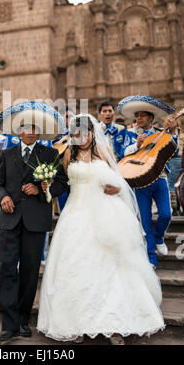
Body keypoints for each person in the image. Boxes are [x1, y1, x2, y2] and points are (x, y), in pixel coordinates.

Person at [37, 114, 165, 345]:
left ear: (92, 132)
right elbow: (63, 182)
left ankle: (115, 325)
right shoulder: (67, 154)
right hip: (75, 214)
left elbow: (119, 181)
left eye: (84, 133)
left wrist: (115, 189)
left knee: (110, 266)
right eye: (75, 134)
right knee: (74, 265)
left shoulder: (102, 152)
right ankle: (73, 322)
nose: (81, 138)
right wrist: (47, 186)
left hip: (104, 213)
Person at [0, 101, 64, 343]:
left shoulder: (51, 154)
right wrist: (2, 198)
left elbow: (62, 184)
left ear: (39, 132)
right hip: (10, 220)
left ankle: (23, 319)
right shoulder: (7, 154)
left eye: (35, 128)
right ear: (19, 130)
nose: (31, 131)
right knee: (7, 269)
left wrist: (44, 189)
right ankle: (9, 323)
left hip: (36, 220)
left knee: (31, 272)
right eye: (26, 127)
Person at [118, 95, 178, 268]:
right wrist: (136, 145)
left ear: (151, 118)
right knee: (144, 222)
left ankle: (160, 237)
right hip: (139, 181)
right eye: (137, 116)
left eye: (143, 115)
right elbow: (123, 153)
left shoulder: (161, 134)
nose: (139, 118)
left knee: (166, 214)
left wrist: (173, 131)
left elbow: (174, 150)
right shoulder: (129, 134)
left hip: (160, 179)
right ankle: (151, 258)